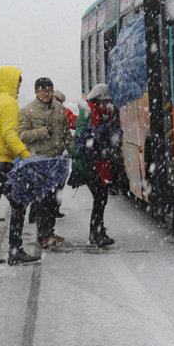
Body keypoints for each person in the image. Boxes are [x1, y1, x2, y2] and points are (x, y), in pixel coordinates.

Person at [0, 66, 40, 267]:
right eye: (19, 81)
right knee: (19, 203)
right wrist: (26, 155)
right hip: (1, 163)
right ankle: (15, 251)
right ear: (12, 81)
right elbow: (9, 135)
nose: (20, 86)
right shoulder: (9, 102)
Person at [19, 77, 74, 249]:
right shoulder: (27, 111)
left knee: (52, 200)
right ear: (36, 91)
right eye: (44, 91)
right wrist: (44, 131)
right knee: (42, 200)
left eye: (50, 90)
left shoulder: (59, 108)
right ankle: (43, 235)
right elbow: (22, 135)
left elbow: (66, 133)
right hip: (40, 160)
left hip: (56, 159)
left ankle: (50, 232)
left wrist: (74, 150)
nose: (48, 94)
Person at [69, 83, 116, 247]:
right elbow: (81, 136)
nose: (106, 104)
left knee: (102, 198)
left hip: (100, 161)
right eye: (103, 101)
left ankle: (96, 231)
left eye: (108, 101)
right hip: (88, 163)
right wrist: (97, 136)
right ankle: (97, 233)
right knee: (100, 197)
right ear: (96, 100)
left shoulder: (106, 113)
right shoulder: (87, 112)